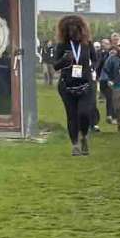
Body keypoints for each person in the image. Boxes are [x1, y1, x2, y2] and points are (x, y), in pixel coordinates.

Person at [49, 16, 100, 155]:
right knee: (72, 116)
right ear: (65, 31)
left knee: (83, 113)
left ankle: (84, 136)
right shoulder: (62, 46)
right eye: (70, 31)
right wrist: (65, 60)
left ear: (81, 30)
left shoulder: (87, 44)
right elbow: (55, 66)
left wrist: (92, 68)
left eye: (76, 30)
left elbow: (95, 60)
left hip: (86, 85)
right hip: (67, 86)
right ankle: (75, 145)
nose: (73, 33)